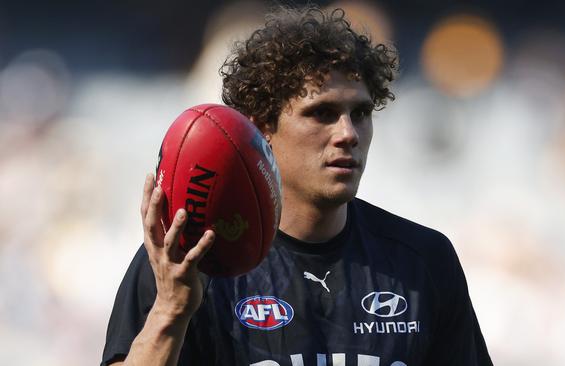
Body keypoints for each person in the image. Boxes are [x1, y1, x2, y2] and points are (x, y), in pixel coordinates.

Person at [102, 5, 492, 366]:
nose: (348, 134)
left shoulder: (422, 260)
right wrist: (171, 310)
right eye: (321, 113)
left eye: (360, 113)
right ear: (261, 130)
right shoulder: (190, 259)